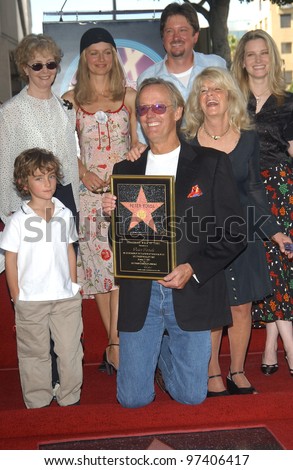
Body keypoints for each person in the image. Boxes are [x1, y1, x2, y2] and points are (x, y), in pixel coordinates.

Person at [102, 77, 247, 408]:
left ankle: (163, 352)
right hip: (142, 292)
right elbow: (122, 240)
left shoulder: (211, 163)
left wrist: (193, 268)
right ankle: (152, 355)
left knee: (191, 396)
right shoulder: (125, 168)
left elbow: (235, 232)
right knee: (133, 400)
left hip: (190, 289)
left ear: (178, 112)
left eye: (159, 107)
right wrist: (113, 215)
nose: (150, 115)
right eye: (143, 109)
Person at [183, 66, 293, 396]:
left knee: (241, 306)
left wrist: (274, 231)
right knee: (215, 307)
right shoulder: (187, 141)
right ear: (197, 101)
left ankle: (238, 370)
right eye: (203, 91)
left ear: (230, 95)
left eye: (216, 89)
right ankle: (213, 372)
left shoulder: (248, 139)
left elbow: (255, 191)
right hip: (204, 237)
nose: (210, 95)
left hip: (244, 234)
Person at [0, 33, 81, 392]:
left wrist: (74, 201)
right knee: (34, 285)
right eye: (37, 65)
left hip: (62, 197)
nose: (45, 70)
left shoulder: (65, 108)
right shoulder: (10, 112)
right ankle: (41, 375)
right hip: (26, 203)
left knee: (60, 280)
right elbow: (4, 165)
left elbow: (70, 160)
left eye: (51, 63)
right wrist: (12, 214)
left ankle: (65, 377)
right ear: (24, 68)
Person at [62, 28, 140, 372]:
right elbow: (63, 148)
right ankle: (115, 343)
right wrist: (81, 171)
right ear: (83, 58)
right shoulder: (69, 100)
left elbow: (142, 143)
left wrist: (137, 153)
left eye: (106, 51)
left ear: (114, 56)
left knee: (122, 271)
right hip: (91, 198)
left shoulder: (131, 96)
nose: (100, 59)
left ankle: (117, 344)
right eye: (93, 52)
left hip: (126, 196)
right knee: (101, 274)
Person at [0, 148, 83, 409]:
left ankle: (70, 398)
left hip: (65, 298)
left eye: (51, 176)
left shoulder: (64, 213)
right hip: (31, 300)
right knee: (34, 354)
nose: (47, 183)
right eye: (38, 178)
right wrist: (16, 295)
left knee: (70, 351)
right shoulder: (18, 221)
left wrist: (72, 285)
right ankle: (37, 402)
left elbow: (70, 249)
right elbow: (10, 259)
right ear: (24, 183)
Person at [232, 30, 293, 378]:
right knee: (263, 263)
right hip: (243, 193)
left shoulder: (288, 102)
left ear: (273, 58)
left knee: (279, 263)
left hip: (281, 191)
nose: (257, 60)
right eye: (250, 54)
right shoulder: (232, 102)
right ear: (242, 61)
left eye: (263, 53)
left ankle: (276, 341)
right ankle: (280, 339)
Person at [131, 2, 226, 154]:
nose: (176, 37)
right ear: (163, 38)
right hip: (171, 163)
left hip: (216, 154)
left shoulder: (216, 66)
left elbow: (234, 111)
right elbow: (143, 131)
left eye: (183, 30)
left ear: (195, 36)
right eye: (169, 31)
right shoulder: (148, 78)